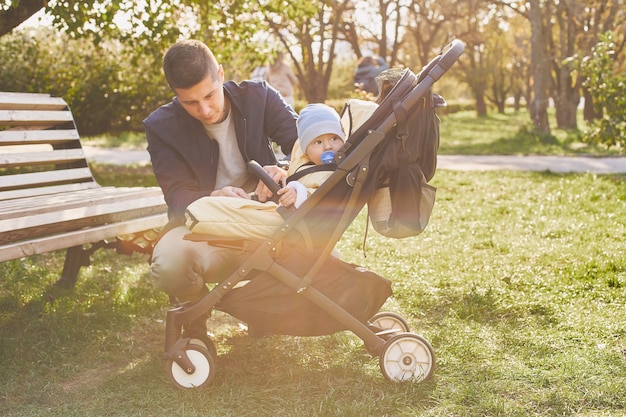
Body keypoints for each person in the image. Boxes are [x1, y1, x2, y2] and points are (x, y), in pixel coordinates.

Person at [143, 39, 298, 310]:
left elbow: (303, 146)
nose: (204, 110)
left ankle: (259, 310)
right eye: (190, 102)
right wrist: (213, 196)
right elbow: (177, 196)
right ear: (174, 93)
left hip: (264, 223)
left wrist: (284, 169)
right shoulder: (161, 127)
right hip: (201, 229)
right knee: (168, 266)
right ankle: (196, 313)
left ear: (221, 75)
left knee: (325, 253)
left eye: (210, 95)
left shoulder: (259, 97)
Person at [184, 103, 346, 239]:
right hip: (287, 213)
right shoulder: (307, 164)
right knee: (241, 204)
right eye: (318, 142)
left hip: (299, 220)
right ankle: (208, 208)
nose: (328, 146)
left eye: (334, 138)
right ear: (306, 151)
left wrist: (298, 193)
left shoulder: (335, 170)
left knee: (218, 210)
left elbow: (322, 194)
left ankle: (205, 214)